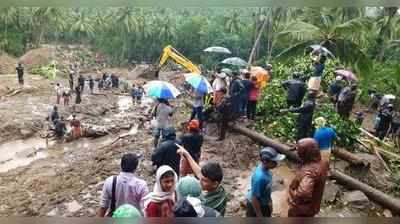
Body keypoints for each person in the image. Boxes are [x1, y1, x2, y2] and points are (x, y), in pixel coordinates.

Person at [176, 145, 228, 216]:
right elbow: (198, 171)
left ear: (215, 184)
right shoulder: (219, 188)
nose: (200, 181)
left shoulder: (207, 202)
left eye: (204, 181)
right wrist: (186, 154)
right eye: (201, 178)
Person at [288, 138, 328, 217]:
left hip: (301, 212)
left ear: (306, 154)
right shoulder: (323, 162)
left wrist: (292, 193)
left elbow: (303, 194)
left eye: (299, 151)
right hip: (313, 207)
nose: (297, 153)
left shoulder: (309, 172)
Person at [246, 147, 285, 217]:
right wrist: (259, 215)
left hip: (264, 201)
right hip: (256, 206)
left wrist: (270, 203)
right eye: (274, 161)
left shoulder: (267, 170)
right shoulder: (260, 178)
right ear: (265, 162)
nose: (276, 163)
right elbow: (254, 199)